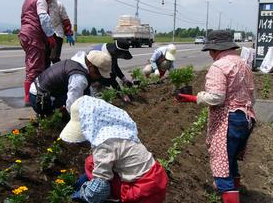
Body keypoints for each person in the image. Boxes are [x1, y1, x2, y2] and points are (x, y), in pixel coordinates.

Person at [176, 30, 255, 203]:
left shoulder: (219, 66)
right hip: (246, 118)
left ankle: (229, 194)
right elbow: (252, 96)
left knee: (221, 161)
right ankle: (235, 188)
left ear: (215, 49)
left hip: (229, 119)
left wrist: (194, 97)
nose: (210, 55)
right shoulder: (242, 64)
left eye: (210, 51)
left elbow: (216, 98)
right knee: (231, 157)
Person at [59, 95, 168, 203]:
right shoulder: (119, 130)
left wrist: (80, 195)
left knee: (93, 170)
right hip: (158, 179)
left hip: (141, 192)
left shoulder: (103, 144)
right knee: (92, 161)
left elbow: (97, 191)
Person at [29, 50, 112, 116]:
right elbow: (72, 104)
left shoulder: (77, 62)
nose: (98, 78)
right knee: (82, 98)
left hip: (38, 92)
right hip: (40, 101)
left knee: (86, 93)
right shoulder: (79, 78)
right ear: (91, 67)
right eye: (98, 74)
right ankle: (49, 113)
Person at [19, 0, 56, 106]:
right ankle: (29, 98)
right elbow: (44, 18)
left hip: (25, 33)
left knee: (31, 63)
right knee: (35, 67)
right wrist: (50, 35)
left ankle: (32, 95)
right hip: (33, 35)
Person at [44, 0, 74, 68]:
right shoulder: (42, 5)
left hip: (57, 33)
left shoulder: (59, 5)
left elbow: (65, 20)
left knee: (54, 57)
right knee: (45, 59)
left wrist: (69, 33)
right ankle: (46, 77)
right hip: (46, 35)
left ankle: (61, 72)